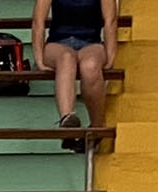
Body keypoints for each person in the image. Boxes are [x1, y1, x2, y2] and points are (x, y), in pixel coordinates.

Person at [31, 0, 118, 152]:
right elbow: (38, 20)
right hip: (58, 43)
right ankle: (67, 120)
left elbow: (110, 21)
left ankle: (97, 126)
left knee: (90, 66)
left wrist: (110, 57)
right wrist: (39, 59)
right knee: (66, 58)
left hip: (90, 42)